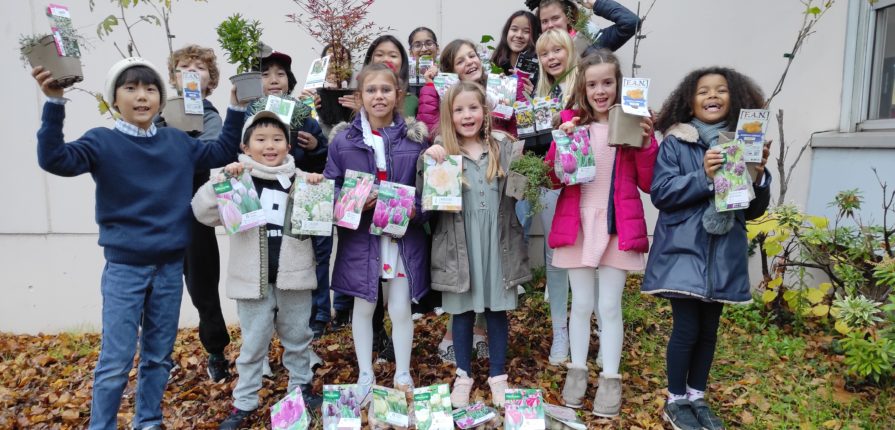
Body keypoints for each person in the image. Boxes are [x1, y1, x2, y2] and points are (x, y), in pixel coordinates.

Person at [31, 57, 247, 430]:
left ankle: (148, 420)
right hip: (125, 268)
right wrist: (53, 102)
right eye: (130, 88)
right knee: (116, 361)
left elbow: (222, 151)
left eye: (150, 89)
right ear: (115, 98)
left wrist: (236, 105)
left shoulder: (177, 142)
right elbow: (55, 159)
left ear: (162, 100)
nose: (142, 96)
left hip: (169, 267)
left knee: (159, 356)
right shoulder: (101, 141)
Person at [643, 67, 771, 430]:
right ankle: (675, 400)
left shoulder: (741, 143)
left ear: (737, 98)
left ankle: (696, 395)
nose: (712, 96)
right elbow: (662, 193)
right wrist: (703, 175)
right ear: (689, 100)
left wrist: (758, 177)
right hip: (683, 253)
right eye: (703, 91)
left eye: (721, 90)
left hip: (724, 253)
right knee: (686, 328)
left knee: (709, 329)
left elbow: (754, 209)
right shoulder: (676, 142)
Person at [191, 111, 325, 429]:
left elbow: (320, 220)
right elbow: (201, 211)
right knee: (253, 344)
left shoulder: (301, 180)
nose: (270, 145)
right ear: (246, 146)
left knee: (298, 337)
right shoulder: (238, 180)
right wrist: (222, 178)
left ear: (289, 146)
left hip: (294, 278)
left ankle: (301, 388)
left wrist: (317, 186)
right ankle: (244, 401)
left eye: (278, 139)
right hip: (253, 281)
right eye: (261, 139)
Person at [546, 51, 658, 417]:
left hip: (615, 224)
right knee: (580, 304)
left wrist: (646, 143)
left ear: (619, 84)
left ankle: (610, 379)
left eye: (607, 82)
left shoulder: (631, 125)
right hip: (577, 224)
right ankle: (577, 371)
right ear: (582, 87)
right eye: (592, 84)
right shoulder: (572, 125)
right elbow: (552, 179)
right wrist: (560, 145)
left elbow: (649, 183)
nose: (600, 91)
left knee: (609, 306)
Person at [420, 80, 532, 408]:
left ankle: (498, 376)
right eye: (459, 110)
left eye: (474, 108)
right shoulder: (443, 152)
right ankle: (464, 374)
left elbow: (519, 195)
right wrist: (427, 160)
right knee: (463, 312)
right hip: (461, 244)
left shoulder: (501, 147)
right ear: (448, 115)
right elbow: (428, 202)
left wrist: (524, 168)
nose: (467, 115)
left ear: (486, 112)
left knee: (497, 310)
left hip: (497, 243)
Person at [324, 63, 431, 398]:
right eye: (371, 90)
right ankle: (365, 375)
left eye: (386, 89)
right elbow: (332, 190)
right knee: (365, 306)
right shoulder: (343, 141)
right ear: (359, 97)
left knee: (400, 307)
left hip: (402, 238)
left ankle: (402, 373)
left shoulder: (417, 139)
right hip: (362, 241)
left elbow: (430, 191)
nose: (378, 96)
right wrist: (353, 201)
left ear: (398, 95)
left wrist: (418, 209)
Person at [157, 44, 232, 382]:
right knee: (157, 288)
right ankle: (159, 356)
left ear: (211, 80)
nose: (191, 72)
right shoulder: (159, 114)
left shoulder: (210, 114)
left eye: (199, 68)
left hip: (194, 217)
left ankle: (215, 351)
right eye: (184, 67)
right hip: (158, 215)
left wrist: (178, 145)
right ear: (173, 78)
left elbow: (213, 151)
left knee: (203, 286)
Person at [253, 47, 332, 338]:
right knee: (269, 256)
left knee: (316, 253)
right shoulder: (251, 117)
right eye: (266, 74)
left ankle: (318, 315)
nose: (274, 79)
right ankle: (273, 318)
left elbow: (325, 161)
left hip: (304, 197)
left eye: (280, 73)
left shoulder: (303, 116)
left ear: (290, 80)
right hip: (267, 201)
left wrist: (316, 147)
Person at [532, 28, 580, 366]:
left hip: (587, 183)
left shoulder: (585, 86)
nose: (551, 58)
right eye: (544, 53)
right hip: (552, 185)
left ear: (569, 50)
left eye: (557, 50)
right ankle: (559, 330)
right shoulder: (540, 94)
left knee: (589, 259)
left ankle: (593, 327)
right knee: (556, 257)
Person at [528, 0, 639, 56]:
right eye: (544, 21)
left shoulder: (594, 44)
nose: (550, 25)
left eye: (555, 18)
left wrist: (595, 3)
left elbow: (631, 23)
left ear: (568, 18)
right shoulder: (538, 55)